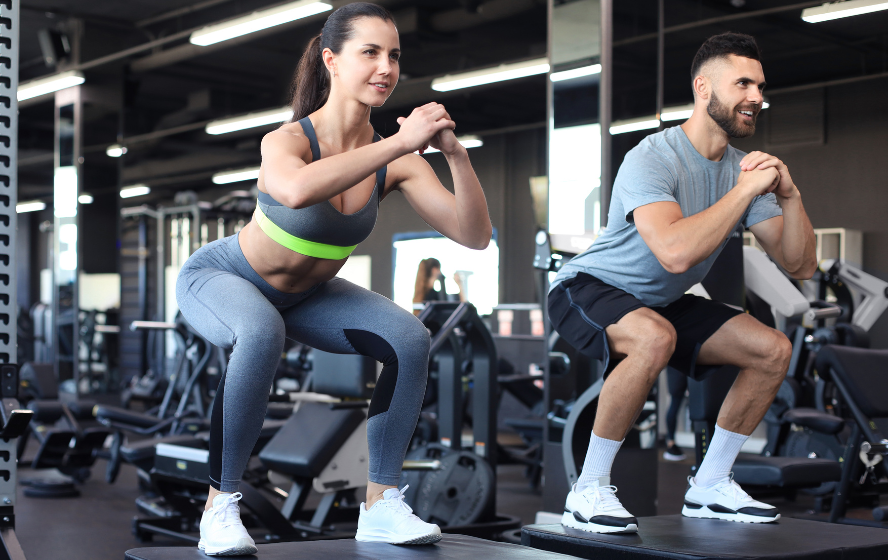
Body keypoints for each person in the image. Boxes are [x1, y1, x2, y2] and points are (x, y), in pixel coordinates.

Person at [175, 3, 491, 555]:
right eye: (369, 52)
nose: (385, 67)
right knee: (259, 331)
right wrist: (397, 142)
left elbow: (474, 235)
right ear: (332, 60)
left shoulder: (400, 161)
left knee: (410, 338)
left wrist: (456, 156)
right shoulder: (288, 140)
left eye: (393, 55)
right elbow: (295, 191)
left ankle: (380, 504)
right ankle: (219, 507)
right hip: (226, 277)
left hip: (308, 296)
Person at [548, 32, 816, 534]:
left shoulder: (742, 170)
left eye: (759, 85)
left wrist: (792, 194)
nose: (756, 96)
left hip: (662, 300)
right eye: (742, 83)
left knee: (773, 349)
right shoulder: (653, 157)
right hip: (588, 287)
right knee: (654, 337)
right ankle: (587, 490)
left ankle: (710, 483)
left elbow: (800, 265)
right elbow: (674, 253)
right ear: (703, 88)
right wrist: (744, 192)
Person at [663, 367, 688, 461]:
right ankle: (671, 443)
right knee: (674, 405)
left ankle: (670, 441)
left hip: (675, 369)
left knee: (674, 404)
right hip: (679, 370)